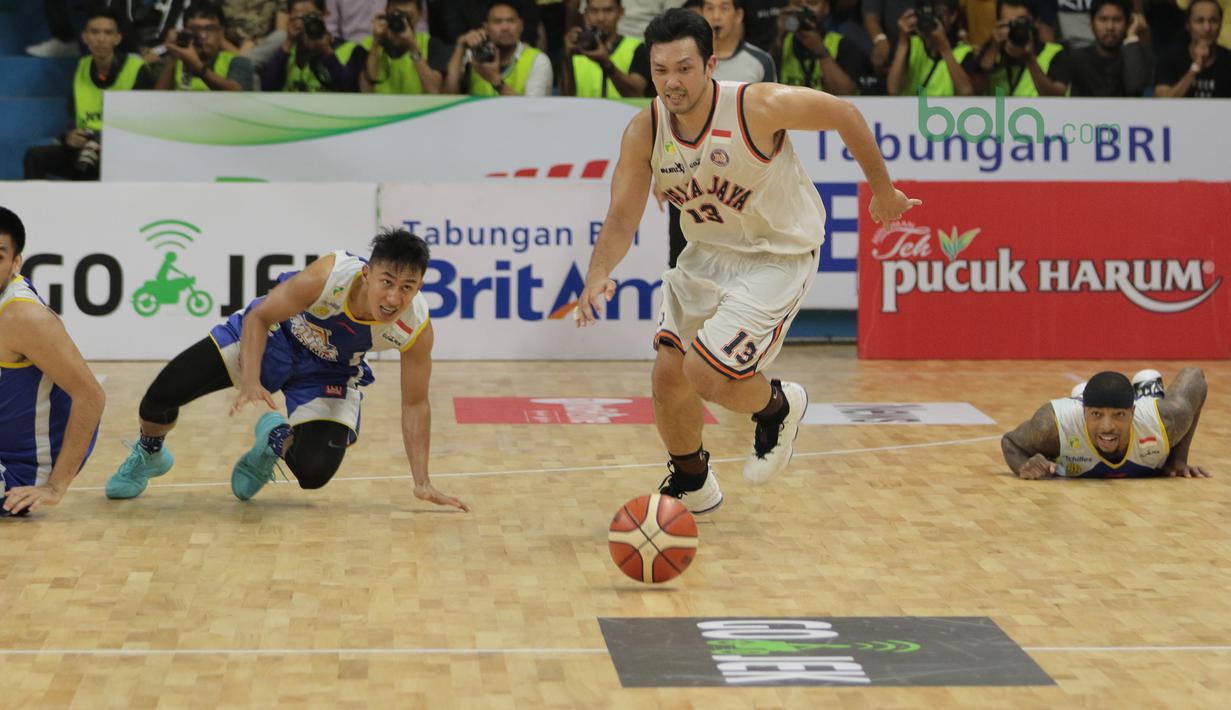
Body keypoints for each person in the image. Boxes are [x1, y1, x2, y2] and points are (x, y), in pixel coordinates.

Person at [574, 9, 920, 513]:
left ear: (711, 63)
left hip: (776, 255)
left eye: (685, 68)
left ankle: (779, 407)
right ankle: (693, 480)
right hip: (708, 254)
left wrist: (883, 193)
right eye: (661, 69)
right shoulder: (644, 130)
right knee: (668, 374)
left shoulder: (755, 106)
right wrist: (598, 274)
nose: (672, 82)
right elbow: (622, 218)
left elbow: (846, 114)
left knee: (705, 373)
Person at [104, 229, 469, 512]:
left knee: (313, 474)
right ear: (367, 274)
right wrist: (249, 381)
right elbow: (260, 317)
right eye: (387, 282)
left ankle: (276, 438)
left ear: (420, 287)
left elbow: (416, 404)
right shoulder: (328, 276)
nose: (393, 298)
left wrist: (422, 481)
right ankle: (150, 454)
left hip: (330, 372)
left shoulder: (415, 326)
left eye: (408, 288)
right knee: (162, 394)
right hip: (277, 336)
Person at [0, 207, 106, 517]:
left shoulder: (22, 317)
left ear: (15, 262)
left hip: (18, 470)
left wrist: (55, 486)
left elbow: (91, 396)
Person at [1002, 369, 1211, 480]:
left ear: (1133, 411)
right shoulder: (1052, 425)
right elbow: (1010, 441)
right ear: (1083, 413)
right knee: (1089, 398)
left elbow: (1195, 376)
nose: (1107, 426)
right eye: (1096, 414)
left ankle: (1147, 389)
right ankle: (1082, 396)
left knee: (1150, 378)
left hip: (1146, 415)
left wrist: (1178, 459)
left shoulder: (1167, 420)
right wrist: (1022, 465)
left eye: (1119, 414)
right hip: (1078, 418)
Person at [24, 7, 155, 181]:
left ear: (118, 38)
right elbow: (74, 116)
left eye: (108, 33)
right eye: (94, 32)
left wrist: (105, 142)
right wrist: (70, 136)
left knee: (90, 166)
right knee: (35, 156)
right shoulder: (82, 67)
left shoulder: (136, 69)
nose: (101, 39)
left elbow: (146, 123)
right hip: (85, 146)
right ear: (85, 37)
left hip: (122, 151)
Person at [445, 1, 554, 96]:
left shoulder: (538, 61)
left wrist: (497, 82)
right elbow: (449, 96)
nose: (505, 28)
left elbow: (531, 111)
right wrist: (460, 46)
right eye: (497, 21)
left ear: (521, 26)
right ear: (486, 28)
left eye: (511, 21)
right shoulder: (474, 56)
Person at [1049, 0, 1154, 95]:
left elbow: (1135, 87)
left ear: (1128, 23)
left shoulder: (1134, 55)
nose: (1110, 27)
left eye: (1117, 20)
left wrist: (1131, 37)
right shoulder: (1074, 58)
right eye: (1103, 19)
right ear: (1091, 23)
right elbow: (1051, 98)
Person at [262, 0, 368, 91]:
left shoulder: (350, 50)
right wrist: (288, 42)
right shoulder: (286, 52)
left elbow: (351, 90)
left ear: (325, 14)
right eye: (299, 18)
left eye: (311, 17)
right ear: (290, 19)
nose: (306, 24)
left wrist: (326, 51)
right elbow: (268, 88)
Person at [971, 0, 1067, 96]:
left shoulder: (1056, 53)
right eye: (1009, 24)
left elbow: (1056, 100)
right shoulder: (993, 55)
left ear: (1036, 22)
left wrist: (1030, 61)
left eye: (1020, 23)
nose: (1014, 30)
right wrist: (992, 49)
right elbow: (971, 95)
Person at [155, 1, 257, 91]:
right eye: (195, 29)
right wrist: (175, 55)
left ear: (221, 32)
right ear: (185, 31)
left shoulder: (237, 62)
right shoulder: (175, 62)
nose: (203, 36)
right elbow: (157, 101)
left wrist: (198, 68)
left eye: (210, 29)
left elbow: (238, 94)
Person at [559, 0, 652, 97]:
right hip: (583, 111)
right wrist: (567, 57)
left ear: (620, 12)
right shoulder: (576, 48)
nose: (601, 18)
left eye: (608, 10)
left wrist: (607, 64)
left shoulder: (637, 48)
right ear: (585, 12)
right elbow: (565, 96)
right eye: (594, 11)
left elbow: (635, 94)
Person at [887, 0, 976, 95]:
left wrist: (944, 49)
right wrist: (903, 42)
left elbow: (966, 92)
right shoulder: (910, 44)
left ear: (952, 16)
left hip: (945, 109)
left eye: (939, 13)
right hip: (910, 108)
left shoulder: (963, 52)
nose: (931, 18)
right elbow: (893, 90)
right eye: (926, 14)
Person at [359, 0, 449, 94]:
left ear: (420, 14)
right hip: (379, 107)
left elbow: (434, 92)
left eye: (408, 17)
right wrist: (376, 43)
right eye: (397, 15)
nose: (403, 21)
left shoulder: (430, 44)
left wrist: (413, 46)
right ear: (387, 11)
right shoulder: (369, 44)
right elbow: (365, 91)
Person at [1156, 0, 1231, 97]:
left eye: (1213, 21)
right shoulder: (1169, 58)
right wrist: (1195, 69)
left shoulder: (1228, 60)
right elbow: (1160, 105)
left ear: (1220, 25)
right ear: (1188, 25)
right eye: (1200, 21)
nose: (1207, 28)